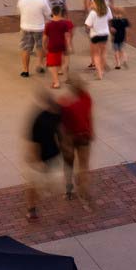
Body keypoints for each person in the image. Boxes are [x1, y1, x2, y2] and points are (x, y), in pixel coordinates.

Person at [21, 86, 62, 221]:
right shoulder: (41, 119)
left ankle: (34, 203)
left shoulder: (53, 115)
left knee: (40, 184)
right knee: (35, 185)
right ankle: (32, 208)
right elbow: (33, 142)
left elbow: (61, 132)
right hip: (44, 156)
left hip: (51, 155)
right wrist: (34, 159)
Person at [57, 76, 94, 204]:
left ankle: (69, 188)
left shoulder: (64, 102)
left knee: (68, 164)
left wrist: (62, 140)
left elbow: (60, 124)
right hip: (84, 135)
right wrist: (91, 130)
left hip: (69, 137)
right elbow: (89, 116)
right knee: (84, 165)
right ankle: (83, 191)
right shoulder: (86, 97)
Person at [16, 0, 50, 80]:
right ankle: (40, 64)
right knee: (40, 47)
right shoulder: (42, 0)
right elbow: (48, 14)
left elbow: (19, 11)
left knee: (26, 49)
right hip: (39, 28)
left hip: (25, 27)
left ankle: (25, 70)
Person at [41, 1, 74, 92]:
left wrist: (44, 47)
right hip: (62, 45)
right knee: (62, 62)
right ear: (60, 12)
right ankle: (66, 75)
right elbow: (67, 36)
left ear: (52, 13)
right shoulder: (64, 23)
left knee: (52, 65)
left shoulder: (49, 25)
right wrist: (69, 45)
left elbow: (44, 37)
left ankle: (56, 82)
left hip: (52, 46)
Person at [84, 0, 112, 76]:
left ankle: (99, 71)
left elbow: (88, 25)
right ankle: (102, 70)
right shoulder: (107, 10)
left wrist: (89, 28)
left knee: (96, 54)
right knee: (103, 53)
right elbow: (110, 19)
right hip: (104, 34)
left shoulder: (93, 13)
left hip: (95, 35)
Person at [106, 0, 131, 70]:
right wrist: (126, 36)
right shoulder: (125, 20)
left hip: (116, 38)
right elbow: (127, 29)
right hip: (122, 37)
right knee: (122, 50)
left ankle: (118, 64)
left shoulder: (114, 20)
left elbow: (112, 30)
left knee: (116, 50)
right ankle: (125, 58)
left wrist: (111, 31)